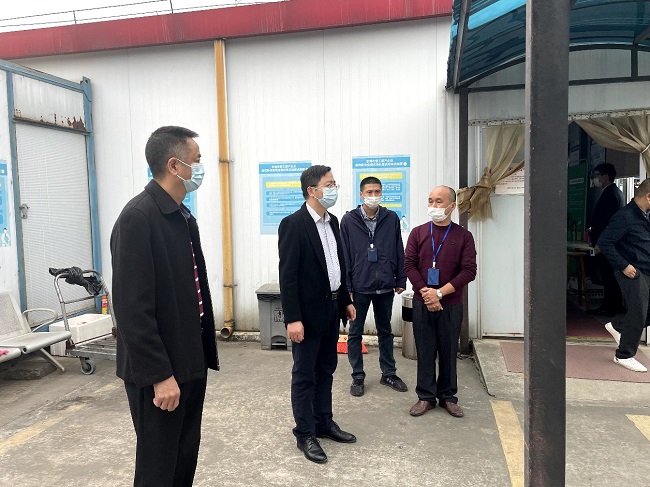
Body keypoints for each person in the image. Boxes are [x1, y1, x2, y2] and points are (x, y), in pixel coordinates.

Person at [111, 126, 219, 486]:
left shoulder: (180, 215)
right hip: (159, 371)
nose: (200, 168)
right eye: (196, 160)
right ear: (174, 165)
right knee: (158, 468)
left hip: (189, 360)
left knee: (184, 458)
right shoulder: (138, 218)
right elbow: (132, 310)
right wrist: (159, 376)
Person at [278, 165, 357, 464]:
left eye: (334, 184)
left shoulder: (332, 221)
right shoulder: (293, 224)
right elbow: (288, 277)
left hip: (331, 310)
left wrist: (345, 300)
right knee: (304, 375)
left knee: (326, 370)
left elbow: (336, 266)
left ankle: (323, 422)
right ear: (312, 190)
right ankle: (305, 433)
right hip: (306, 316)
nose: (334, 189)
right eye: (329, 184)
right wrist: (292, 318)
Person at [404, 186, 476, 418]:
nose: (433, 206)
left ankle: (448, 396)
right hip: (422, 302)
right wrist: (427, 293)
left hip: (450, 304)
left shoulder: (463, 236)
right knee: (425, 351)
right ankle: (425, 396)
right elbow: (409, 265)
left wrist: (440, 294)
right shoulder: (418, 233)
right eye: (430, 201)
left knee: (448, 351)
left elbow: (469, 271)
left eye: (439, 201)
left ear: (452, 206)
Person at [340, 176, 407, 397]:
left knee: (385, 331)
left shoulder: (391, 218)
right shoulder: (348, 220)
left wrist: (400, 279)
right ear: (361, 194)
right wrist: (347, 286)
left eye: (377, 191)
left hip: (385, 285)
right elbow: (344, 255)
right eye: (369, 192)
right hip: (359, 286)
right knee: (355, 332)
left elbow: (398, 247)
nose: (373, 196)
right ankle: (358, 376)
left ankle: (389, 373)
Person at [598, 177, 650, 373]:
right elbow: (604, 242)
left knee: (645, 312)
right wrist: (623, 265)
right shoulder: (625, 216)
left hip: (646, 269)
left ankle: (618, 326)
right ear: (648, 196)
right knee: (638, 312)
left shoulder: (645, 215)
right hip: (632, 271)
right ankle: (624, 355)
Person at [589, 163, 625, 315]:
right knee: (609, 274)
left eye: (596, 175)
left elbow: (607, 221)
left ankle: (611, 307)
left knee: (609, 275)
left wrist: (601, 242)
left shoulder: (611, 194)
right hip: (608, 241)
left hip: (607, 243)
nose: (594, 179)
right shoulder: (613, 192)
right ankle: (612, 305)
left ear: (604, 177)